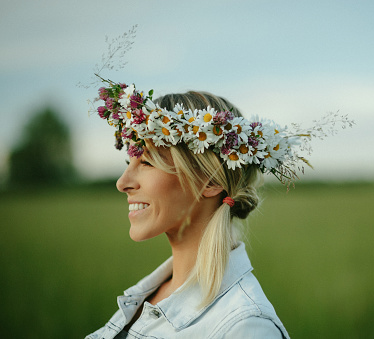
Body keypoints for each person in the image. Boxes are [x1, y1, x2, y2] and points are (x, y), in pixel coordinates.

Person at [86, 88, 292, 339]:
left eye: (148, 162)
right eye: (129, 163)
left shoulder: (246, 328)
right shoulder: (147, 295)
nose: (122, 182)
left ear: (209, 182)